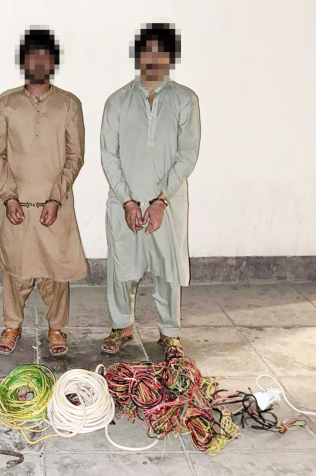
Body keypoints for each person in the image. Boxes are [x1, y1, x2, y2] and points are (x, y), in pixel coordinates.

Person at [100, 23, 201, 359]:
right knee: (121, 267)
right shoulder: (117, 101)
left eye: (161, 52)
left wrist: (160, 201)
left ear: (170, 57)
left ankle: (169, 333)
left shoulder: (185, 99)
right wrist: (128, 201)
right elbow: (108, 155)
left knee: (167, 270)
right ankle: (121, 326)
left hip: (167, 203)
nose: (154, 58)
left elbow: (187, 154)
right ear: (138, 55)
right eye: (148, 51)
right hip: (123, 201)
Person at [0, 28, 87, 357]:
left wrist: (56, 197)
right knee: (15, 268)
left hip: (56, 203)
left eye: (45, 57)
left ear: (53, 62)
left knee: (55, 270)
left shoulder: (69, 103)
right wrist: (9, 197)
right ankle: (12, 324)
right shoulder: (6, 103)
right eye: (32, 57)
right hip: (16, 202)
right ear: (24, 62)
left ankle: (56, 328)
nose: (39, 63)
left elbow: (75, 155)